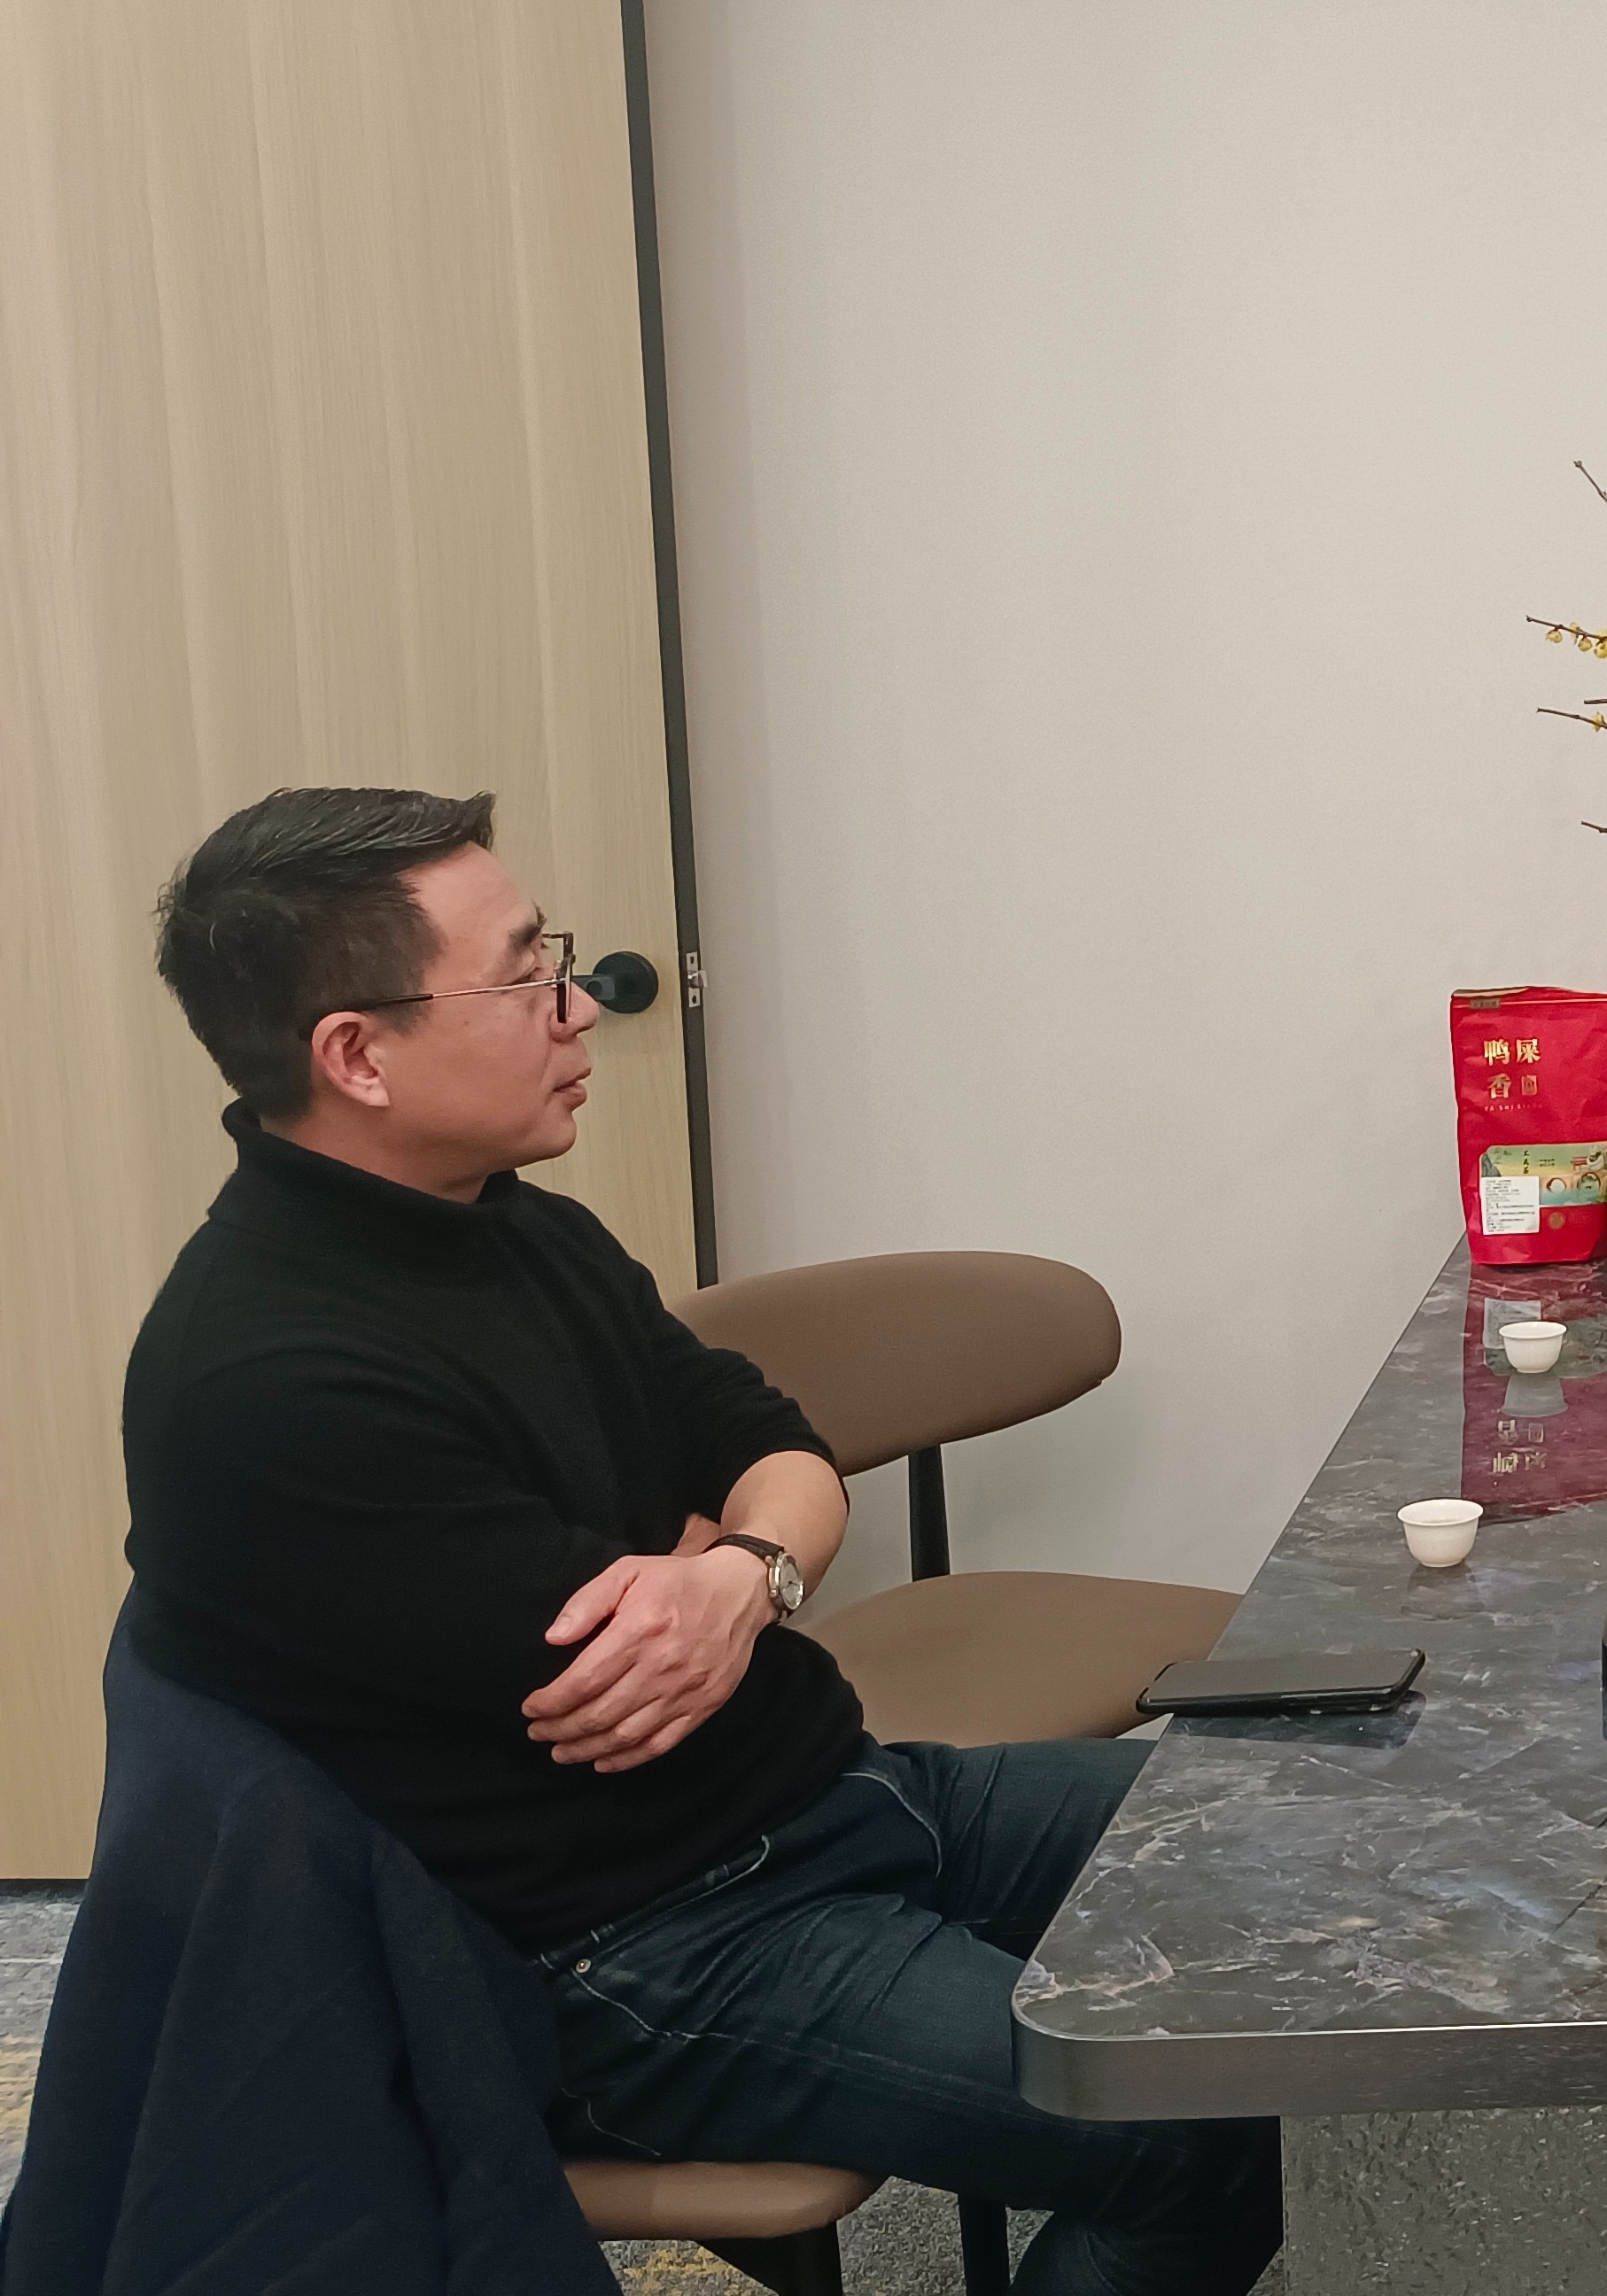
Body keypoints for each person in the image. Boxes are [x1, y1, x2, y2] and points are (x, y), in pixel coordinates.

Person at [121, 787, 1277, 2295]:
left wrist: (745, 1570)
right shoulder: (268, 1381)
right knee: (1188, 2137)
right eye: (526, 975)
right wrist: (732, 1573)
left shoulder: (515, 1226)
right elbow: (641, 1670)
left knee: (1303, 1840)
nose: (578, 1008)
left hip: (830, 1793)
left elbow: (772, 1448)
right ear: (359, 1054)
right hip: (638, 1946)